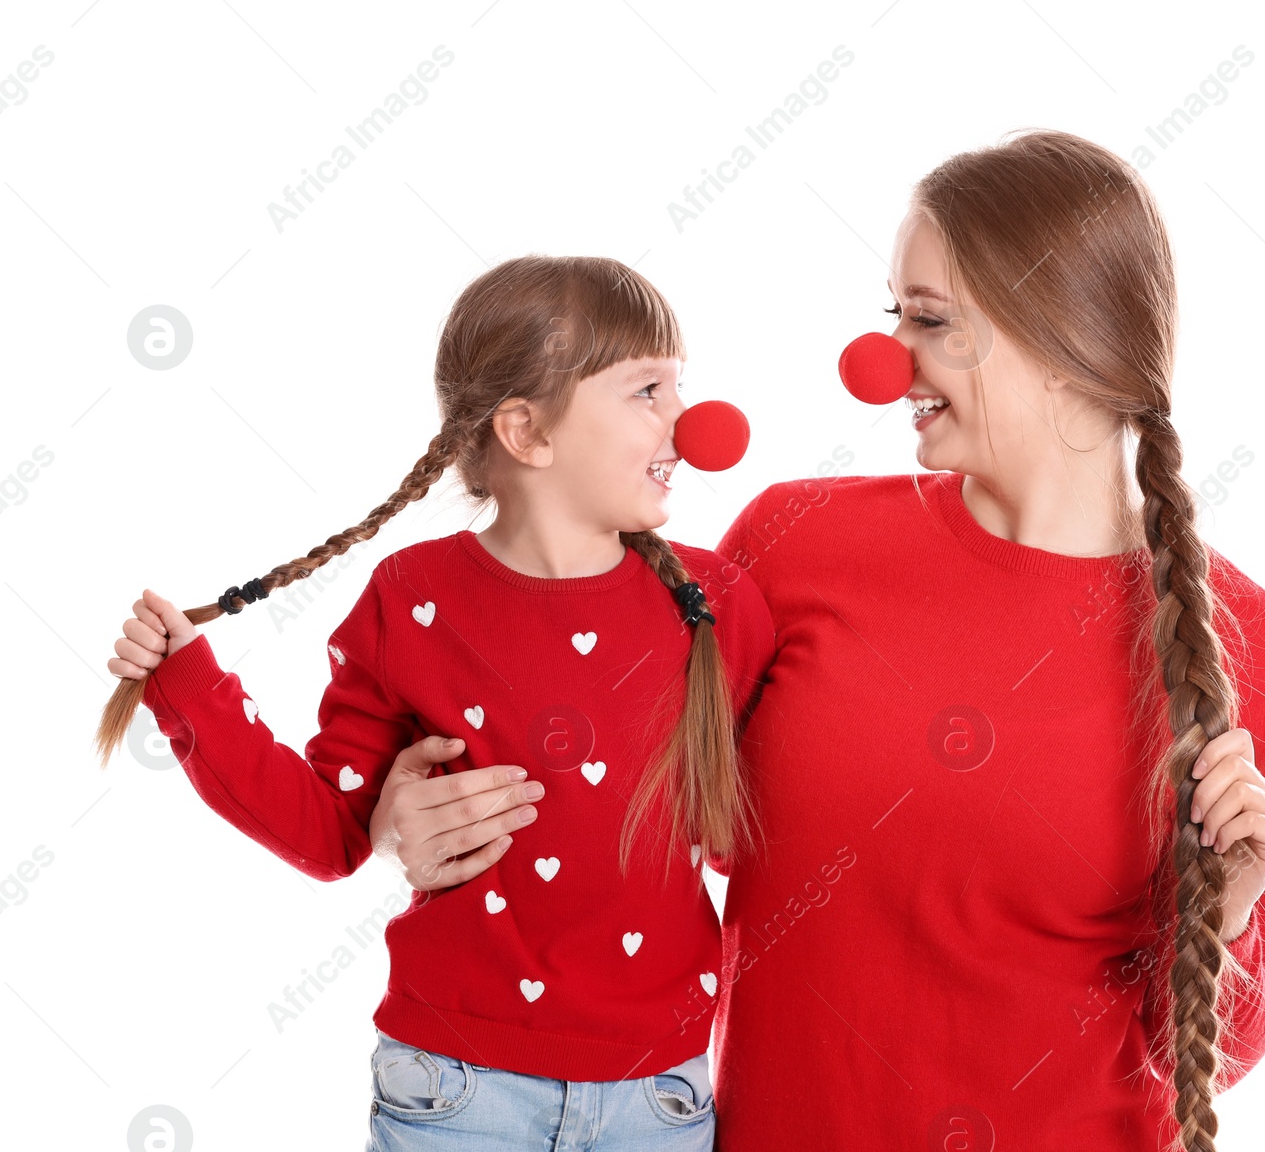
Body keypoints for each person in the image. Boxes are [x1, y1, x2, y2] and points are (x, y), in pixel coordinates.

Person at [370, 131, 1265, 1152]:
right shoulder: (794, 543)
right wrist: (406, 821)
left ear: (1060, 339)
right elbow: (607, 794)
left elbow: (1214, 1055)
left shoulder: (1255, 647)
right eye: (894, 315)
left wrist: (1227, 902)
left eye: (928, 318)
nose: (883, 360)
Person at [94, 255, 778, 1152]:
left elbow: (757, 835)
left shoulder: (719, 602)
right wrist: (195, 687)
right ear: (527, 431)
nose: (690, 425)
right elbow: (330, 830)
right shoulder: (411, 597)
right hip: (457, 1089)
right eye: (648, 389)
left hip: (659, 1090)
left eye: (680, 387)